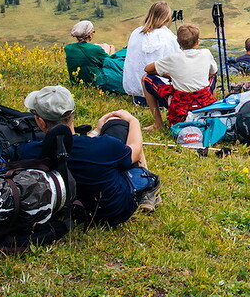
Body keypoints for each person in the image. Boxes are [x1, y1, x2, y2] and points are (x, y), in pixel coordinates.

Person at [19, 85, 160, 226]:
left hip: (67, 212)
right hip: (114, 212)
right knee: (117, 126)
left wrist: (96, 131)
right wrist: (133, 121)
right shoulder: (104, 146)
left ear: (41, 122)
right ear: (72, 113)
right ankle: (148, 190)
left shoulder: (30, 151)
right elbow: (134, 152)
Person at [143, 23, 218, 128]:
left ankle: (158, 124)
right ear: (197, 42)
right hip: (203, 101)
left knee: (145, 78)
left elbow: (147, 69)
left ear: (178, 42)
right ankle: (212, 112)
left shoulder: (172, 58)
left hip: (180, 106)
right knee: (213, 76)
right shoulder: (206, 53)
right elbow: (213, 72)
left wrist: (170, 76)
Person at [122, 2, 180, 126]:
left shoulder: (136, 33)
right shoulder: (166, 36)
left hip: (136, 94)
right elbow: (177, 62)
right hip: (160, 93)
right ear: (166, 18)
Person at [64, 20, 117, 88]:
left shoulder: (68, 48)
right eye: (93, 32)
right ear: (89, 35)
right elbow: (111, 62)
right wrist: (112, 47)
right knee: (108, 48)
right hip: (93, 84)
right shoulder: (95, 49)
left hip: (75, 83)